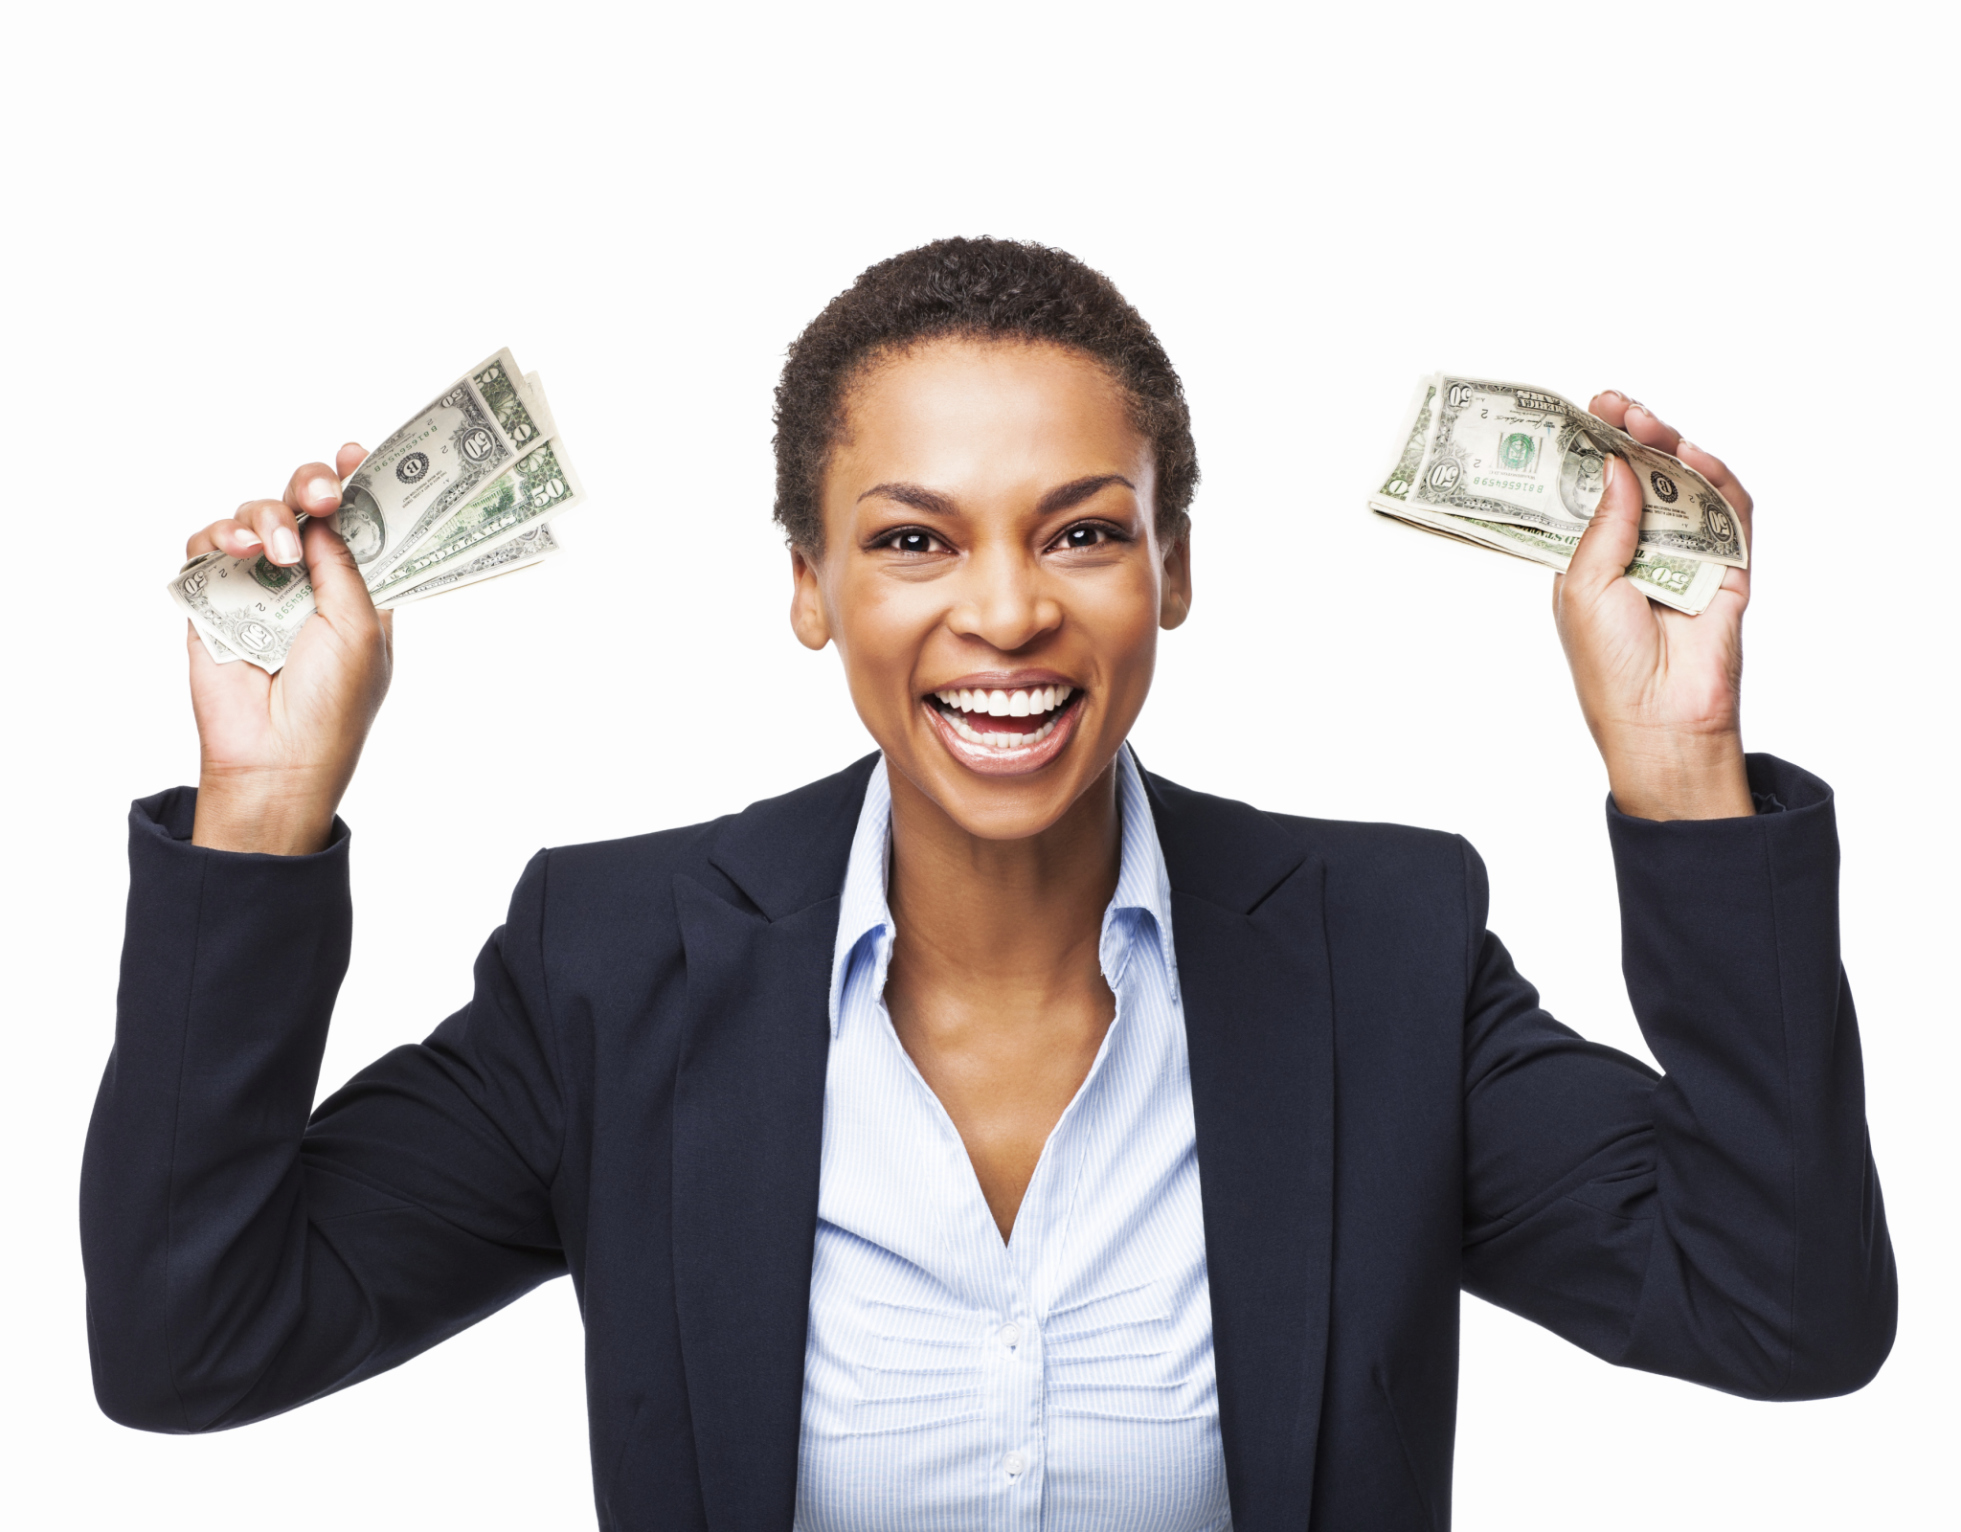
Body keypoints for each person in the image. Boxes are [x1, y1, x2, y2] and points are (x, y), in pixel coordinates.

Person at [82, 238, 1896, 1531]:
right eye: (910, 540)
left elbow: (1780, 1310)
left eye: (1084, 529)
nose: (1009, 611)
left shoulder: (1379, 953)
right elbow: (195, 1340)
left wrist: (1678, 770)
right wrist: (259, 804)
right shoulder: (615, 968)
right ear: (810, 586)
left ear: (1171, 568)